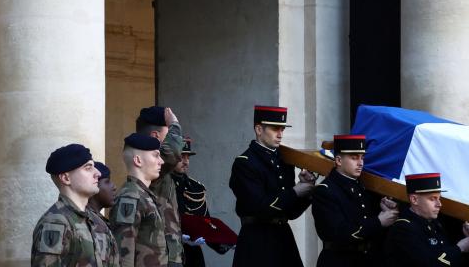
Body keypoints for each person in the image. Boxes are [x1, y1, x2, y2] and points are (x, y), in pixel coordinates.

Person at [229, 105, 316, 267]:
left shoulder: (284, 161)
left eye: (282, 129)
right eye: (275, 129)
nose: (280, 134)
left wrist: (306, 189)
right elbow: (260, 206)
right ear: (259, 129)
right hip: (257, 241)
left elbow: (291, 212)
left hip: (283, 238)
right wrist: (295, 191)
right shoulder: (245, 163)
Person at [312, 134, 399, 266]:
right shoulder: (325, 191)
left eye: (362, 157)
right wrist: (378, 221)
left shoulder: (363, 188)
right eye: (354, 158)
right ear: (339, 160)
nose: (360, 163)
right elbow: (338, 233)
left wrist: (383, 208)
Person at [31, 144, 120, 267]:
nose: (98, 173)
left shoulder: (98, 222)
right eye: (88, 168)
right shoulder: (55, 223)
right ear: (66, 178)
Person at [384, 172, 469, 267]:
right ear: (414, 200)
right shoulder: (403, 229)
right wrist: (459, 248)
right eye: (432, 199)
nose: (439, 204)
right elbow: (429, 263)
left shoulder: (434, 223)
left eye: (439, 198)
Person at [109, 133, 168, 267]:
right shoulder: (130, 197)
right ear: (138, 160)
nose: (161, 161)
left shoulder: (143, 194)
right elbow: (124, 253)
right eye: (156, 155)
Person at [171, 137, 231, 267]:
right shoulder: (162, 187)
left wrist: (225, 241)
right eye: (182, 156)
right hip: (168, 250)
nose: (186, 161)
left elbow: (206, 223)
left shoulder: (196, 188)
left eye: (188, 157)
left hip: (192, 253)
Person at [137, 106, 184, 267]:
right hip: (157, 259)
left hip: (170, 255)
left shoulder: (160, 168)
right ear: (156, 137)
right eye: (168, 133)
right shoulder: (149, 165)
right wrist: (175, 124)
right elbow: (173, 153)